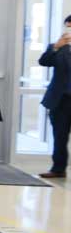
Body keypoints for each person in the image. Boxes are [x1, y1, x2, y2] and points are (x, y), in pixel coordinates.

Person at [38, 14, 71, 178]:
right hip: (61, 100)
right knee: (60, 135)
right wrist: (56, 47)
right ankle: (58, 168)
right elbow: (43, 61)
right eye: (68, 26)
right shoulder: (58, 47)